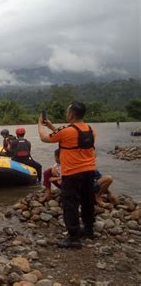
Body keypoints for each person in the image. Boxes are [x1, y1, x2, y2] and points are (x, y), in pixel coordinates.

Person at [38, 101, 96, 248]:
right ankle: (89, 230)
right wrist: (51, 126)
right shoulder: (90, 130)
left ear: (71, 114)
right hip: (89, 171)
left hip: (72, 173)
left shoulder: (66, 131)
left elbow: (45, 138)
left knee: (70, 204)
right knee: (87, 201)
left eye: (67, 111)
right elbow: (69, 136)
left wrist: (39, 124)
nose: (66, 113)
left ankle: (74, 237)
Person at [41, 149, 118, 207]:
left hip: (80, 187)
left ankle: (98, 196)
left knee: (100, 177)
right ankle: (97, 197)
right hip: (79, 189)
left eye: (55, 157)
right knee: (108, 178)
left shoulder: (68, 164)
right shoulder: (69, 165)